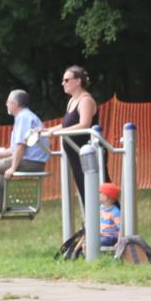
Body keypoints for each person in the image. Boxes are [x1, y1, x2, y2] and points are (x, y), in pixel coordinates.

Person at [43, 65, 108, 207]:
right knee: (84, 190)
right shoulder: (72, 101)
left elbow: (84, 124)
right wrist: (47, 130)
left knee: (99, 190)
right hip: (76, 153)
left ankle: (111, 218)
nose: (63, 83)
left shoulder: (85, 100)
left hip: (89, 153)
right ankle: (90, 219)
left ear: (78, 81)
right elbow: (66, 125)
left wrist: (58, 133)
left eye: (66, 80)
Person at [0, 89, 50, 215]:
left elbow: (21, 146)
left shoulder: (23, 118)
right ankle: (3, 200)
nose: (6, 104)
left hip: (30, 162)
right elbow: (13, 150)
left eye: (8, 102)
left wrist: (12, 167)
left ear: (16, 104)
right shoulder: (24, 116)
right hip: (31, 160)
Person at [99, 182, 122, 247]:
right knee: (88, 240)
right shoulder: (101, 208)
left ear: (105, 197)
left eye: (100, 193)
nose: (98, 195)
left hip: (112, 237)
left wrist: (119, 243)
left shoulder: (115, 212)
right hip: (103, 235)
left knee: (97, 242)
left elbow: (121, 229)